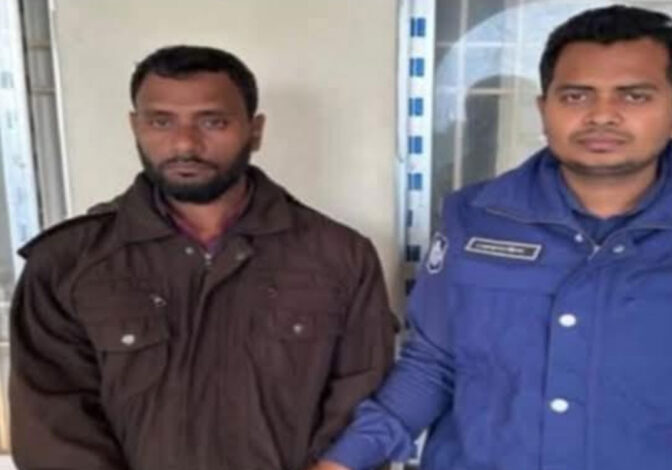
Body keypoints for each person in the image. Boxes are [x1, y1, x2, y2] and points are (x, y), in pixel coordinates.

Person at [313, 5, 672, 470]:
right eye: (576, 96)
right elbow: (434, 364)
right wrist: (344, 462)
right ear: (544, 109)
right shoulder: (475, 217)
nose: (602, 115)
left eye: (634, 96)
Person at [10, 45, 396, 470]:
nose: (184, 144)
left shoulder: (338, 256)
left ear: (255, 131)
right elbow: (52, 422)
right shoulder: (68, 262)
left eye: (213, 122)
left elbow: (361, 402)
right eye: (161, 121)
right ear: (135, 126)